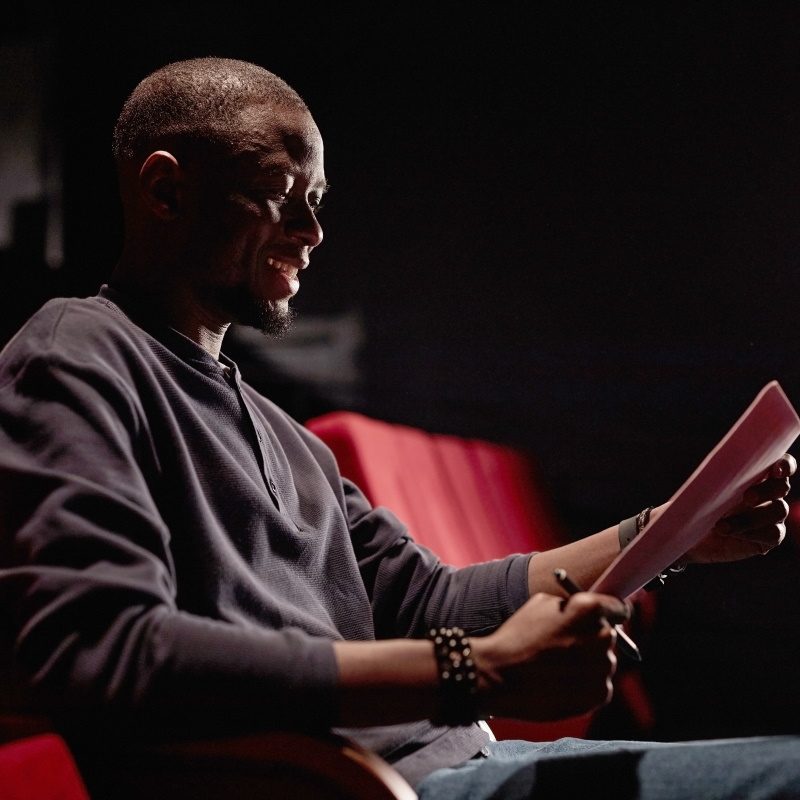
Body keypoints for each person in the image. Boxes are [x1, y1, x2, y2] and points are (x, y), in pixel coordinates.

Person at [0, 56, 798, 799]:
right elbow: (102, 650)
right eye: (280, 191)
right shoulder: (74, 356)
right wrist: (475, 670)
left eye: (317, 203)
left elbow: (432, 600)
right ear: (166, 191)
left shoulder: (289, 437)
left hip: (467, 763)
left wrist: (668, 532)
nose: (311, 231)